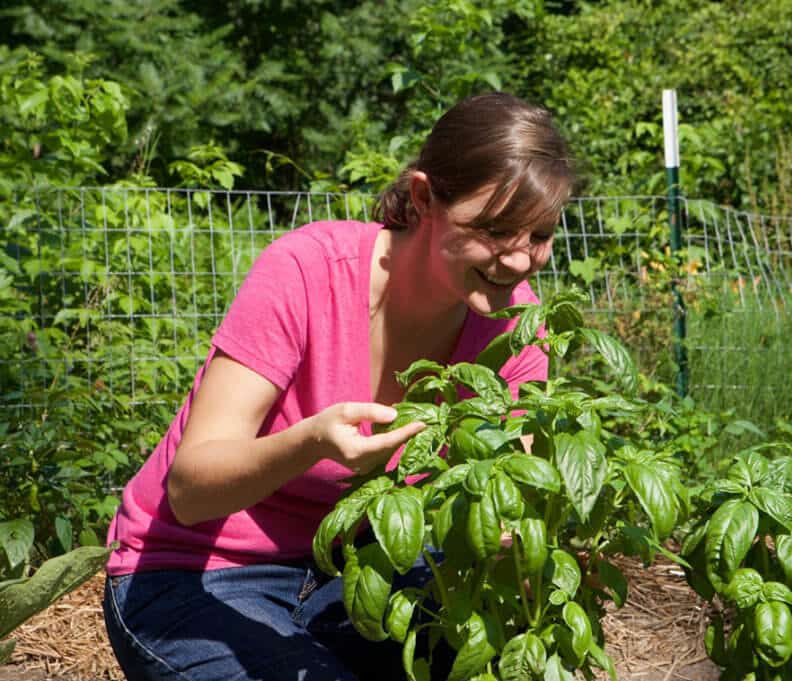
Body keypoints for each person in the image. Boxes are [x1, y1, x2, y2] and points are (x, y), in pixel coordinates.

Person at [101, 92, 575, 681]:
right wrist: (311, 442)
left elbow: (514, 485)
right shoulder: (306, 271)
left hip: (361, 571)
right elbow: (192, 488)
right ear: (424, 198)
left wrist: (520, 534)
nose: (521, 260)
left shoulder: (519, 329)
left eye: (540, 235)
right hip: (198, 571)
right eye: (496, 230)